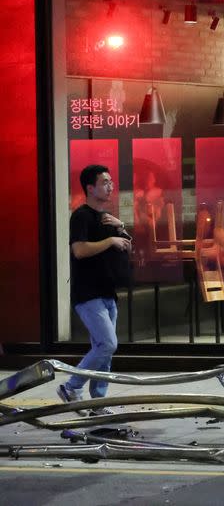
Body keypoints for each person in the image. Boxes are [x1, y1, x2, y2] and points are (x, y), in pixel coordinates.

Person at [59, 164, 131, 416]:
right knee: (107, 344)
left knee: (105, 351)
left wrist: (120, 228)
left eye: (111, 181)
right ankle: (71, 386)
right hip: (87, 294)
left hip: (107, 292)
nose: (110, 186)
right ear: (90, 188)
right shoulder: (81, 216)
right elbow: (78, 250)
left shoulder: (107, 218)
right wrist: (110, 239)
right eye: (104, 182)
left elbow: (126, 248)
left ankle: (98, 404)